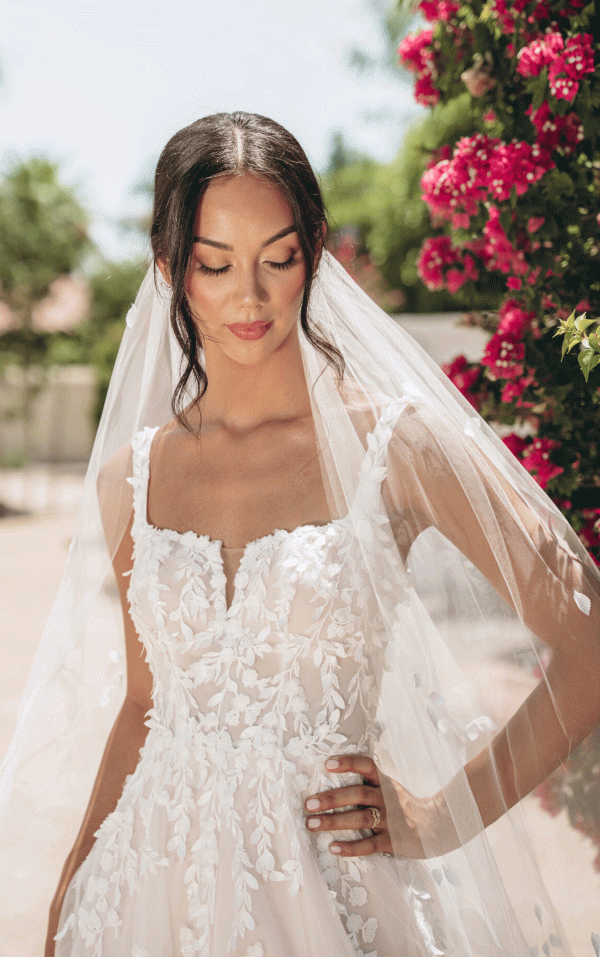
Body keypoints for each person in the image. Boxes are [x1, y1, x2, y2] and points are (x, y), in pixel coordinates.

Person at [0, 112, 598, 957]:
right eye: (214, 265)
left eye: (278, 259)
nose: (250, 296)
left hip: (333, 899)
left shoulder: (399, 447)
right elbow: (147, 704)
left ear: (315, 251)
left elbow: (590, 638)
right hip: (140, 899)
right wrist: (71, 892)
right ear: (170, 269)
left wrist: (434, 815)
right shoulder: (132, 479)